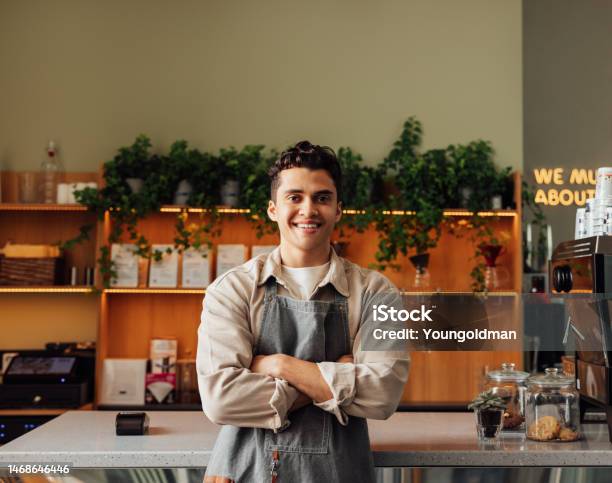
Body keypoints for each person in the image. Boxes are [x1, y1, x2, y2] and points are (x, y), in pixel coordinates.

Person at [197, 140, 410, 483]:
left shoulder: (376, 294)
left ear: (338, 209)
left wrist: (279, 366)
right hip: (242, 472)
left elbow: (382, 394)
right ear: (272, 209)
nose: (308, 209)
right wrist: (333, 377)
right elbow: (221, 400)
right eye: (294, 197)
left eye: (322, 197)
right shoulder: (232, 289)